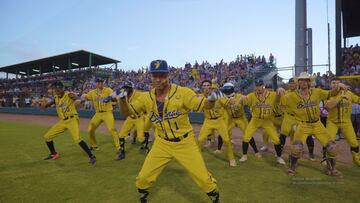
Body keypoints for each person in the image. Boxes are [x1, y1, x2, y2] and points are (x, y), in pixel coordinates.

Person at [118, 60, 222, 203]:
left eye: (162, 75)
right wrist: (122, 99)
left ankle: (215, 199)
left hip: (185, 143)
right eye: (155, 76)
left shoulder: (183, 92)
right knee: (142, 179)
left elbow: (204, 105)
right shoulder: (146, 97)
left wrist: (211, 99)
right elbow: (128, 113)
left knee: (205, 180)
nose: (158, 79)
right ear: (151, 77)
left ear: (168, 75)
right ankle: (143, 198)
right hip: (161, 144)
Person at [283, 72, 345, 176]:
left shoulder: (317, 92)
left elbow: (330, 94)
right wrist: (280, 92)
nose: (303, 82)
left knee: (332, 147)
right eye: (301, 80)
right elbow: (280, 105)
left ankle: (332, 169)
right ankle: (292, 167)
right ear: (298, 82)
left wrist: (338, 88)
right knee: (296, 148)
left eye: (306, 80)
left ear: (309, 82)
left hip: (317, 125)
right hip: (303, 125)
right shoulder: (290, 96)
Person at [40, 81, 96, 164]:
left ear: (62, 88)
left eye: (57, 89)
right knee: (47, 137)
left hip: (72, 120)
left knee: (77, 139)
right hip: (63, 121)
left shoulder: (68, 94)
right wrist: (43, 106)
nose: (56, 91)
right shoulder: (56, 98)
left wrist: (79, 99)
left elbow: (76, 98)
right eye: (55, 90)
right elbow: (47, 105)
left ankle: (92, 156)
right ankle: (54, 154)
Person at [240, 79, 286, 165]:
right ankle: (244, 155)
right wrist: (242, 98)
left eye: (260, 85)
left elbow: (280, 96)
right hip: (255, 120)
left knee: (276, 140)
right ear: (255, 86)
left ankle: (279, 158)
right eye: (257, 86)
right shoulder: (252, 95)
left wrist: (280, 90)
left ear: (263, 85)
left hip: (267, 121)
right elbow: (244, 100)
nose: (259, 87)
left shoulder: (272, 95)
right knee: (246, 137)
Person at [197, 80, 236, 167]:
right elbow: (195, 102)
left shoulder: (218, 96)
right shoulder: (200, 96)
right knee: (200, 139)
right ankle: (197, 158)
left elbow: (229, 102)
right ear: (202, 87)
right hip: (208, 121)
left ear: (210, 87)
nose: (206, 87)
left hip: (219, 120)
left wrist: (232, 99)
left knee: (226, 140)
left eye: (207, 85)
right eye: (204, 85)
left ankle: (232, 159)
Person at [81, 78, 121, 160]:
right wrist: (83, 95)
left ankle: (119, 148)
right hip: (98, 114)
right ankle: (94, 146)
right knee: (90, 129)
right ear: (95, 84)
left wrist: (111, 98)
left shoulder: (108, 90)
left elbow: (116, 94)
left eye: (101, 82)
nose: (100, 83)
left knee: (112, 129)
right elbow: (85, 97)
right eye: (98, 82)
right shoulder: (92, 92)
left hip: (107, 113)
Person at [325, 77, 360, 166]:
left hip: (346, 122)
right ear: (330, 85)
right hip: (332, 122)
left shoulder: (349, 93)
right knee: (329, 143)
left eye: (338, 83)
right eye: (333, 83)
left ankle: (357, 160)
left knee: (354, 143)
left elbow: (358, 100)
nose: (336, 85)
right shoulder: (328, 94)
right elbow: (329, 106)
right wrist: (340, 96)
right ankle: (328, 163)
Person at [116, 81, 150, 159]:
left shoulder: (138, 94)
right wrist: (109, 98)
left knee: (141, 138)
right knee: (121, 135)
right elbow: (115, 93)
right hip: (130, 118)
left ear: (131, 89)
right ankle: (122, 152)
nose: (125, 90)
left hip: (139, 117)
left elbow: (148, 96)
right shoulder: (123, 95)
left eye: (127, 88)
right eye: (124, 89)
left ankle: (146, 149)